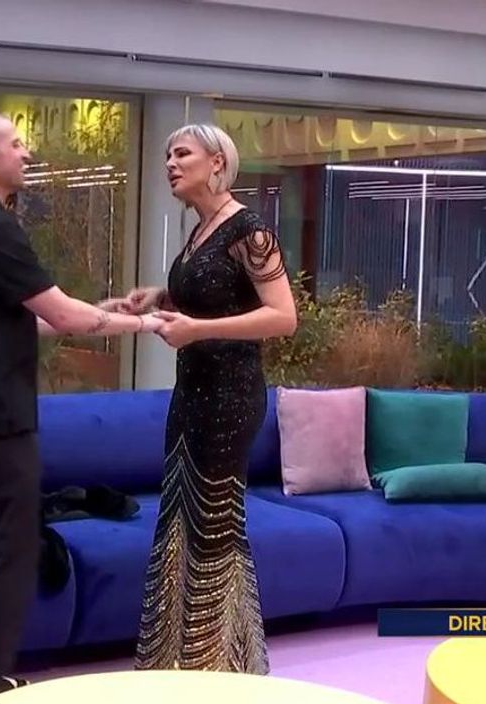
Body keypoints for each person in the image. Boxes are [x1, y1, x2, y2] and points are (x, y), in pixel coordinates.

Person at [0, 112, 163, 704]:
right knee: (13, 543)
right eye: (16, 144)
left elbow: (24, 320)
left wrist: (101, 310)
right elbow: (61, 314)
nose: (27, 152)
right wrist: (144, 324)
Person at [108, 123, 297, 675]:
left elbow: (283, 317)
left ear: (217, 162)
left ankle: (218, 667)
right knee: (179, 520)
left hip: (230, 397)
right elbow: (216, 296)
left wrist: (198, 331)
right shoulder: (200, 230)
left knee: (215, 525)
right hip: (191, 392)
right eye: (167, 154)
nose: (170, 163)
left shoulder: (250, 230)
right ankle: (176, 657)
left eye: (182, 153)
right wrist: (161, 297)